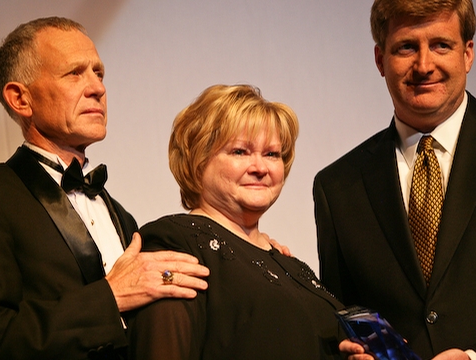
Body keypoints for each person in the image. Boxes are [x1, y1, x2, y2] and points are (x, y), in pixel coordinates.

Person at [0, 17, 211, 359]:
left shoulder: (122, 216)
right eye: (74, 73)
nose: (97, 87)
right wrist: (109, 297)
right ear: (21, 99)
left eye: (98, 73)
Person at [313, 0, 476, 359]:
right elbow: (344, 322)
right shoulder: (337, 186)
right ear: (380, 60)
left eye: (441, 45)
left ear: (468, 54)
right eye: (406, 47)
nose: (424, 65)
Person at [126, 84, 345, 359]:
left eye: (271, 154)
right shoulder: (175, 244)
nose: (260, 168)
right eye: (240, 152)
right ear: (199, 160)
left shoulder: (291, 264)